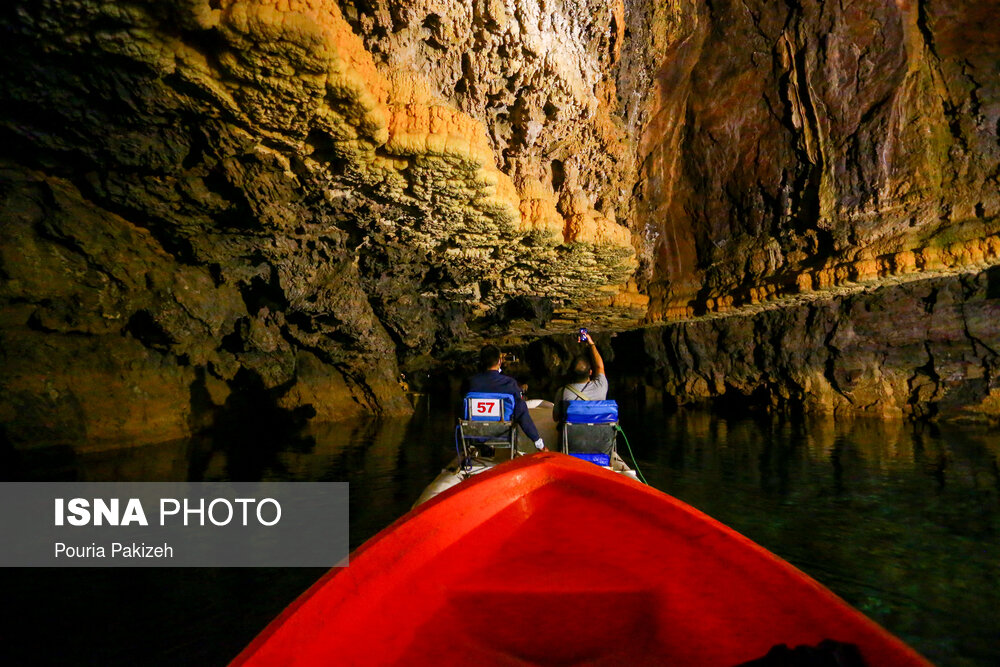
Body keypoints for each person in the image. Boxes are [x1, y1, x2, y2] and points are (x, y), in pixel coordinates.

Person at [465, 345, 546, 451]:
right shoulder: (509, 383)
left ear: (481, 361)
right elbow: (522, 414)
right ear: (499, 361)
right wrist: (538, 442)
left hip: (474, 433)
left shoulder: (470, 383)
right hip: (502, 434)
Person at [552, 329, 607, 422]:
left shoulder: (562, 392)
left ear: (571, 373)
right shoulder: (600, 386)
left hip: (572, 435)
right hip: (598, 434)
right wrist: (591, 344)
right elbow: (599, 367)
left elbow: (556, 418)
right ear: (590, 372)